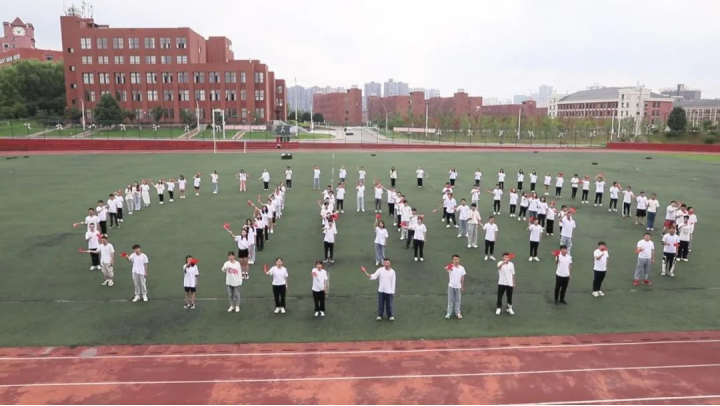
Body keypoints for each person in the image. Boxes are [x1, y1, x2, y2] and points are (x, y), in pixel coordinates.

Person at [445, 255, 466, 320]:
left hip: (458, 287)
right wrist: (451, 266)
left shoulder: (462, 268)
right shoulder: (451, 267)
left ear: (459, 260)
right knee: (450, 300)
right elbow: (446, 268)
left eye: (457, 259)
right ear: (453, 260)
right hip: (451, 286)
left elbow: (462, 278)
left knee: (458, 301)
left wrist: (462, 286)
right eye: (454, 259)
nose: (456, 260)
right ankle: (449, 313)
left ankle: (458, 313)